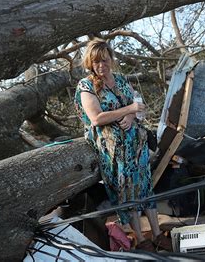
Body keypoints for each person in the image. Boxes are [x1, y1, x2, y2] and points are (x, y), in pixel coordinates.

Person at [74, 38, 170, 252]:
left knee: (145, 188)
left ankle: (157, 235)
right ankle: (141, 239)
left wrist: (134, 115)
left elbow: (141, 109)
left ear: (111, 60)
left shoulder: (121, 79)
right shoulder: (86, 85)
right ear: (90, 63)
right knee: (128, 192)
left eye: (105, 60)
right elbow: (97, 118)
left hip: (136, 147)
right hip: (114, 152)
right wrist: (128, 110)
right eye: (96, 62)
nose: (101, 66)